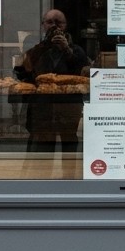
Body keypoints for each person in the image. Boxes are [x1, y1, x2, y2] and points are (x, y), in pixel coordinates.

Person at [15, 9, 90, 155]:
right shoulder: (35, 48)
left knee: (69, 145)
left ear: (65, 25)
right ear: (43, 25)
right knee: (41, 147)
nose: (54, 27)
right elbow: (22, 71)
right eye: (50, 22)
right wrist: (45, 45)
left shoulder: (76, 49)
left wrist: (66, 50)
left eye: (58, 23)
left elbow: (82, 73)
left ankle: (69, 176)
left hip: (68, 106)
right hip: (41, 106)